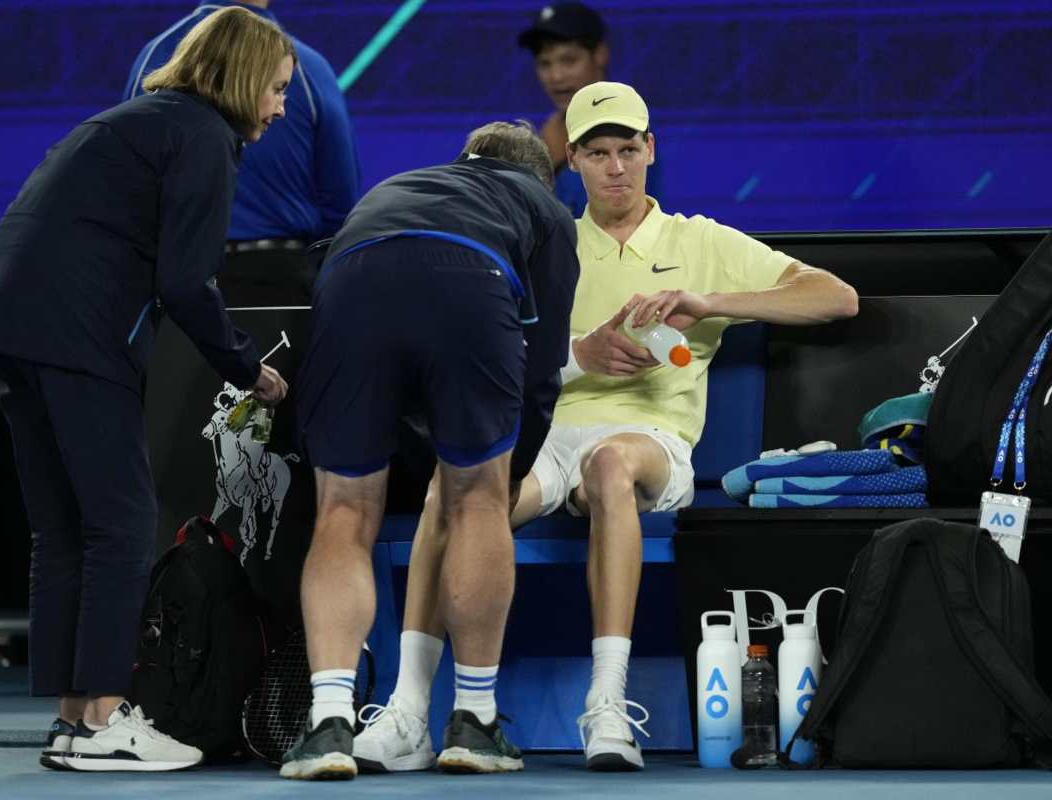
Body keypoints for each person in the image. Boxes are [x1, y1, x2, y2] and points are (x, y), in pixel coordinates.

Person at [356, 81, 859, 773]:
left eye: (628, 149)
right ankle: (410, 709)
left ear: (651, 150)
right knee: (458, 476)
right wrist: (577, 356)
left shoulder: (700, 239)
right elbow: (492, 355)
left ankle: (608, 704)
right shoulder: (544, 236)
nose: (616, 167)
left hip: (647, 445)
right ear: (574, 161)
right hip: (545, 439)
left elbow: (836, 297)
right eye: (597, 153)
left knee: (611, 465)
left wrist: (706, 301)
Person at [0, 7, 292, 772]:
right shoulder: (204, 136)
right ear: (240, 78)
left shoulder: (136, 119)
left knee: (65, 529)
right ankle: (107, 719)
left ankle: (73, 719)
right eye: (274, 89)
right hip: (78, 335)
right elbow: (186, 282)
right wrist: (248, 367)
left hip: (9, 328)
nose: (277, 108)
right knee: (121, 524)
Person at [280, 121, 580, 780]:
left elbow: (321, 267)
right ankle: (473, 722)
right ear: (541, 176)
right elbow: (544, 367)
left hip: (350, 281)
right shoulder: (547, 209)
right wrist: (511, 465)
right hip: (470, 277)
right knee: (476, 501)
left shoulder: (397, 185)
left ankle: (327, 722)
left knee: (342, 511)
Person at [126, 0, 361, 305]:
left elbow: (129, 195)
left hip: (173, 281)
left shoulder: (153, 60)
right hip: (276, 281)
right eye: (277, 91)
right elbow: (340, 204)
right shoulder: (307, 68)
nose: (280, 109)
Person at [517, 1, 656, 216]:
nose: (556, 76)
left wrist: (555, 170)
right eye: (545, 64)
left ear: (600, 54)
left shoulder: (635, 126)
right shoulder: (546, 135)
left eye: (569, 60)